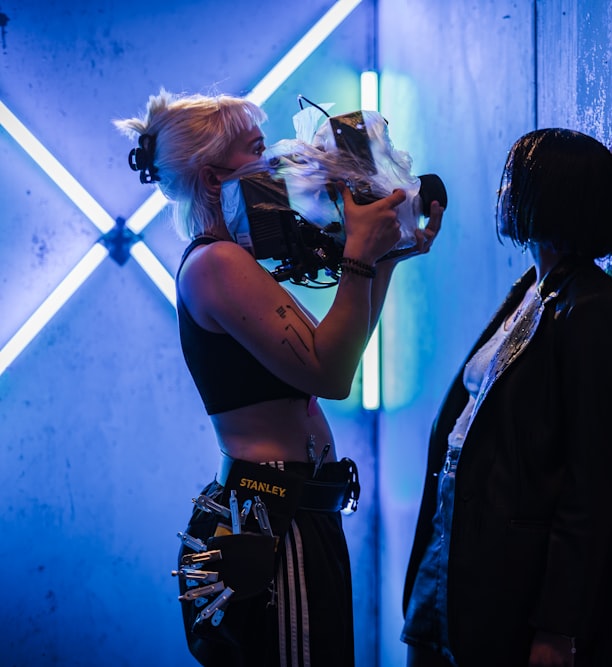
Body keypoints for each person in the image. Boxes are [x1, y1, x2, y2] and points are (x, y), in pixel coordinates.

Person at [115, 90, 443, 667]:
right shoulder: (216, 264)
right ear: (216, 180)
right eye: (259, 149)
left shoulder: (230, 261)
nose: (280, 164)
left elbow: (339, 348)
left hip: (294, 510)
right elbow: (331, 373)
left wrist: (384, 256)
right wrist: (360, 257)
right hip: (273, 520)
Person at [401, 128, 612, 667]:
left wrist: (558, 625)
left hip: (510, 590)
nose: (503, 192)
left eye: (515, 179)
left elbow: (593, 481)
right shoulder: (531, 291)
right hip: (452, 568)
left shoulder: (592, 306)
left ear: (549, 195)